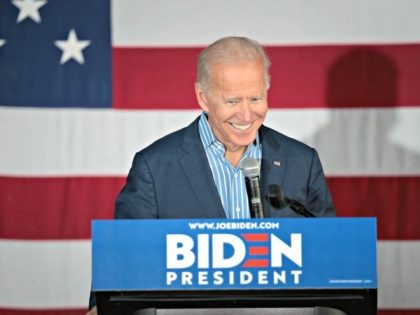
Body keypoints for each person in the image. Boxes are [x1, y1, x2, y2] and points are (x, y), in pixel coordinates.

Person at [86, 36, 335, 314]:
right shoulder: (154, 168)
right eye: (232, 101)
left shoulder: (302, 161)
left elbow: (332, 262)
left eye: (256, 98)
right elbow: (121, 274)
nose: (246, 114)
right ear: (203, 98)